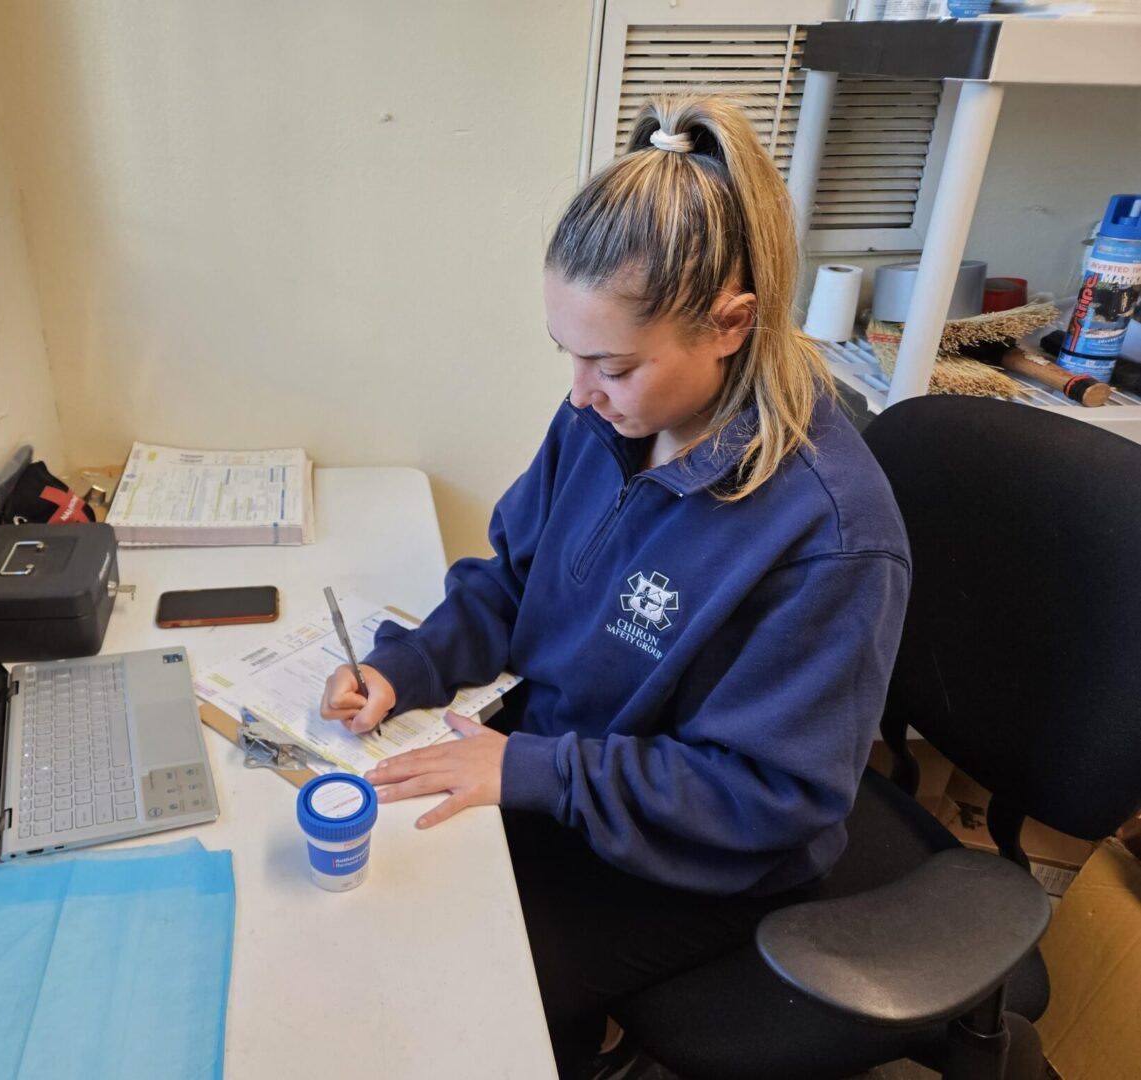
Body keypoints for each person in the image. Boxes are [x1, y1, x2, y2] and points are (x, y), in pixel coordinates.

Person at [320, 92, 911, 1079]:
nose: (578, 391)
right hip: (565, 776)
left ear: (730, 325)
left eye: (610, 363)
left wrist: (531, 774)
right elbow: (512, 578)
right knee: (377, 900)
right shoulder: (605, 422)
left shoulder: (830, 537)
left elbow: (772, 796)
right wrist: (408, 666)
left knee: (445, 997)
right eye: (569, 353)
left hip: (698, 861)